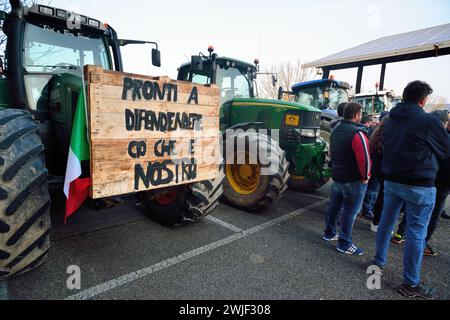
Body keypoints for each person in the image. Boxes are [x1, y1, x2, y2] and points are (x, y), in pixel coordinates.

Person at [374, 81, 450, 299]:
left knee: (386, 222)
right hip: (419, 185)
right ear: (423, 100)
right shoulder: (428, 121)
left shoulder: (389, 119)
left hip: (391, 181)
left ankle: (378, 261)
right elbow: (446, 150)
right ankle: (410, 284)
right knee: (416, 231)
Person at [391, 110, 450, 255]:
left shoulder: (423, 135)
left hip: (421, 180)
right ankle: (422, 244)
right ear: (443, 123)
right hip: (438, 184)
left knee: (413, 208)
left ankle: (400, 234)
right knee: (433, 214)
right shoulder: (444, 139)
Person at [323, 102, 371, 256]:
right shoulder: (358, 133)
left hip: (338, 176)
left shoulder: (335, 129)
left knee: (334, 206)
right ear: (357, 115)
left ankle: (329, 233)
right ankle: (344, 243)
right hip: (353, 180)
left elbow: (332, 152)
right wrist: (365, 177)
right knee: (350, 211)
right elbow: (364, 158)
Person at [367, 112, 389, 232]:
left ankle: (375, 220)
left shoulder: (376, 134)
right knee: (381, 195)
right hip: (385, 170)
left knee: (378, 193)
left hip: (376, 168)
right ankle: (376, 222)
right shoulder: (389, 137)